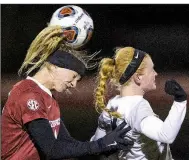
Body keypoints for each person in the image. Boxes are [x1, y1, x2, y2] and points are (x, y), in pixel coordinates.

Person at [1, 25, 134, 160]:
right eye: (74, 76)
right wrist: (99, 145)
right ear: (54, 67)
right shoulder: (29, 95)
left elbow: (66, 144)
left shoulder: (47, 98)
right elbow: (53, 150)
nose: (74, 84)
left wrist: (105, 145)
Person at [90, 46, 187, 160]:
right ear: (138, 77)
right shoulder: (137, 107)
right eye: (152, 70)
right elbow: (166, 135)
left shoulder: (113, 103)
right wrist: (180, 100)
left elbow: (96, 145)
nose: (156, 74)